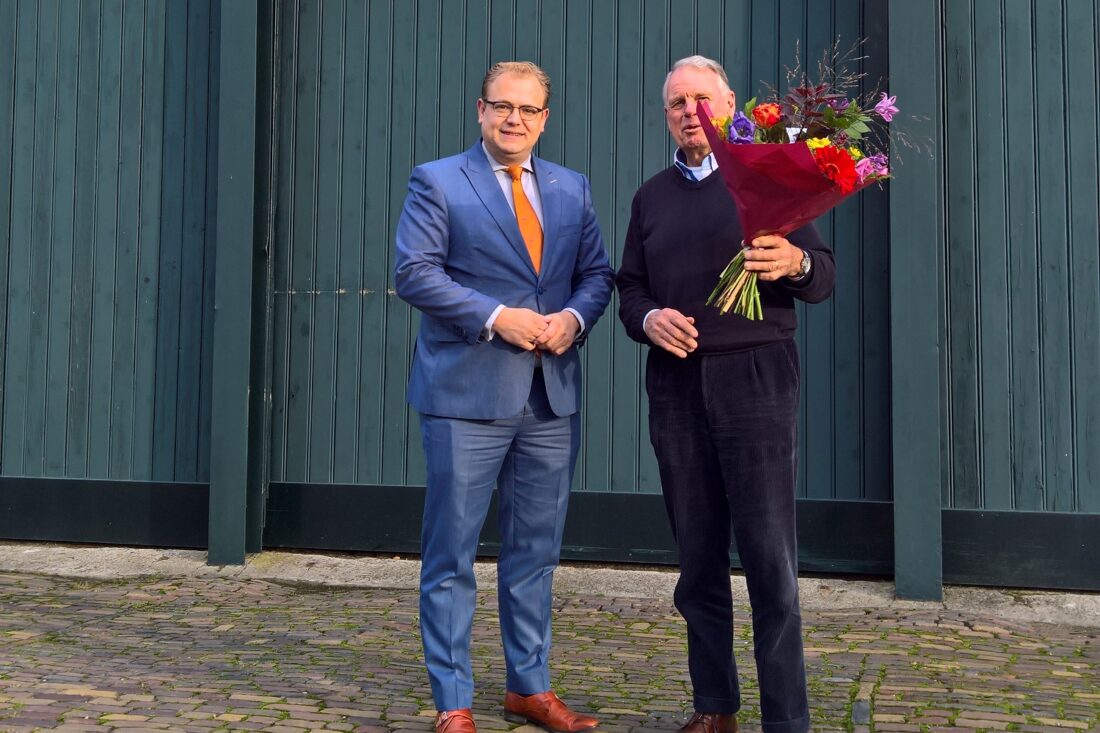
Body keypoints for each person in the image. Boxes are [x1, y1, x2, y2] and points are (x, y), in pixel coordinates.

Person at [615, 56, 836, 733]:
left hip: (757, 377)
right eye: (677, 101)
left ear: (728, 102)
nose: (689, 111)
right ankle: (715, 707)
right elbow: (629, 287)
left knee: (769, 556)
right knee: (698, 557)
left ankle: (786, 719)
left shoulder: (770, 177)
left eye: (700, 99)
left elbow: (822, 276)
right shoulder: (651, 197)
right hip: (677, 386)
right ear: (667, 115)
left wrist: (794, 262)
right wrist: (648, 318)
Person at [394, 61, 613, 733]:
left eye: (528, 109)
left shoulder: (571, 188)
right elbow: (413, 271)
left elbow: (596, 274)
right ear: (480, 110)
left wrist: (572, 319)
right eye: (502, 106)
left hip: (551, 397)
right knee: (452, 553)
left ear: (545, 118)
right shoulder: (438, 181)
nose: (514, 118)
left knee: (535, 551)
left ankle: (529, 686)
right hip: (466, 393)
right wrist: (497, 316)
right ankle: (453, 700)